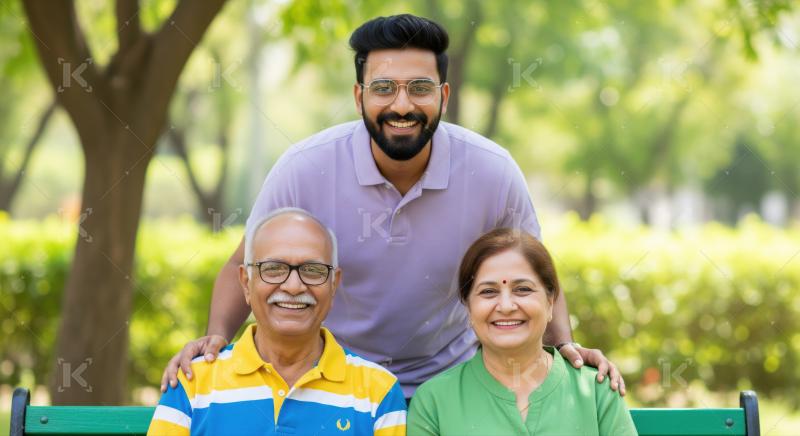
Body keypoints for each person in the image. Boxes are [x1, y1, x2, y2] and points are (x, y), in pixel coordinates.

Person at [161, 14, 625, 401]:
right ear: (359, 96)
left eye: (419, 88)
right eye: (384, 88)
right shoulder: (305, 168)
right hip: (334, 383)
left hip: (451, 386)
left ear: (443, 96)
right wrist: (214, 342)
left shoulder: (491, 171)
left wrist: (564, 345)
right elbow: (244, 263)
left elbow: (537, 273)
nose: (401, 105)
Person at [148, 209, 406, 435]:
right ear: (246, 283)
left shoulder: (378, 392)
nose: (293, 286)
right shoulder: (193, 381)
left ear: (334, 285)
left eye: (312, 270)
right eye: (273, 268)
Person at [407, 228, 637, 435]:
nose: (506, 306)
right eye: (488, 292)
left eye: (523, 289)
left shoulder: (596, 390)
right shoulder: (434, 401)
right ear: (468, 308)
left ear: (550, 303)